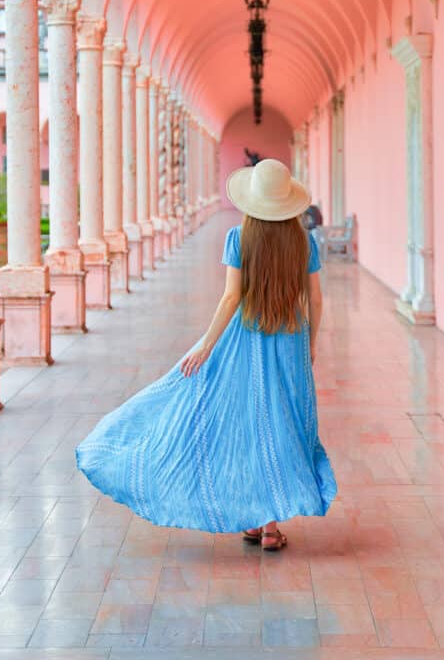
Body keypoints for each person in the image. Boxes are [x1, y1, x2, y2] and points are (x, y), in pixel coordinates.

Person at [76, 158, 337, 549]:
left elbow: (232, 296)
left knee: (248, 421)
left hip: (246, 337)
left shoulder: (239, 238)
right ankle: (268, 526)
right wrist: (311, 342)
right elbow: (315, 298)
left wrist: (207, 344)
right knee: (283, 422)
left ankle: (253, 518)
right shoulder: (305, 241)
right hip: (290, 339)